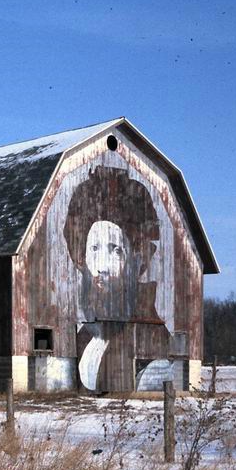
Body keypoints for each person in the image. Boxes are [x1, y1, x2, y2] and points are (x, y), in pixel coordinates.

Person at [62, 166, 173, 392]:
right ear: (81, 257)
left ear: (135, 260)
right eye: (94, 248)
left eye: (116, 251)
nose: (101, 266)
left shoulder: (152, 338)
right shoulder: (85, 336)